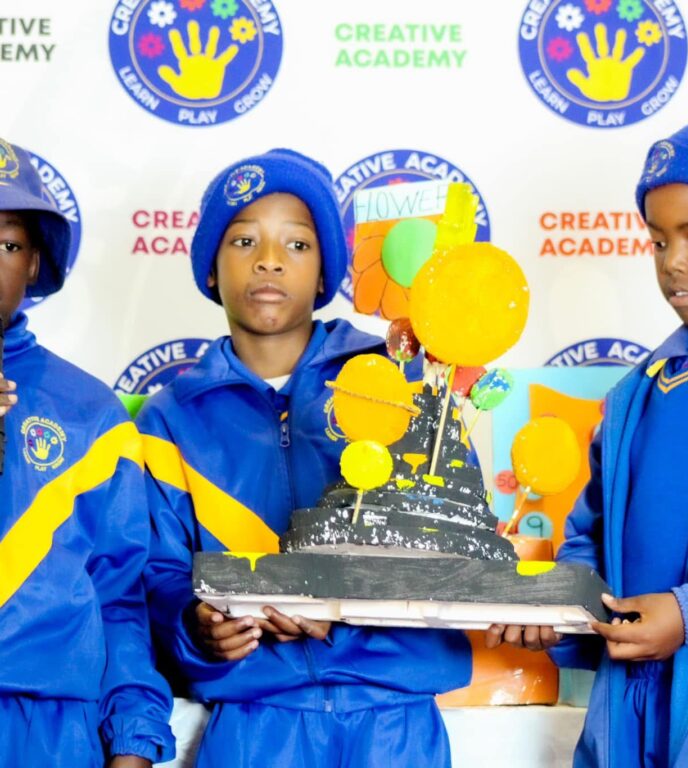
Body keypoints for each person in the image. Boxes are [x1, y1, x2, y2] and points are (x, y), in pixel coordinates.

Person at [139, 148, 470, 767]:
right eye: (243, 241)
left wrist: (345, 601)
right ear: (210, 269)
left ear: (324, 275)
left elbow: (450, 535)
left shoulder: (396, 381)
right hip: (254, 721)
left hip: (393, 716)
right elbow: (158, 571)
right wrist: (197, 622)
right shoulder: (172, 419)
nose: (269, 260)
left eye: (297, 244)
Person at [486, 101, 688, 767]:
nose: (673, 264)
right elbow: (590, 535)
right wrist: (560, 607)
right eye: (659, 242)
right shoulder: (637, 392)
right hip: (626, 708)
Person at [0, 139, 174, 767]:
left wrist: (133, 739)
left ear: (35, 263)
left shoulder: (91, 414)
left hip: (50, 731)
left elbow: (119, 596)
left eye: (7, 244)